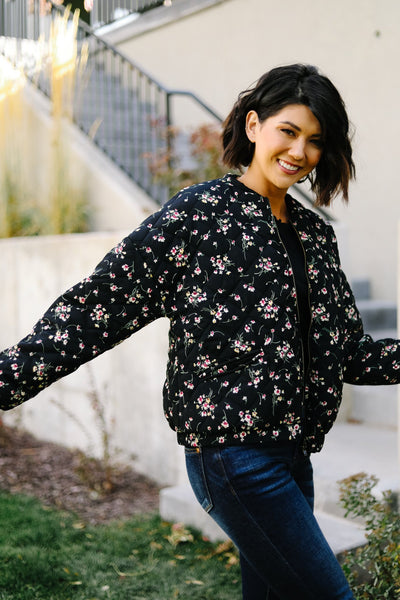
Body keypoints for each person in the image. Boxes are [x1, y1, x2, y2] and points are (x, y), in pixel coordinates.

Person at [0, 63, 399, 599]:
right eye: (289, 131)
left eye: (315, 141)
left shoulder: (313, 234)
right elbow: (99, 304)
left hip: (292, 455)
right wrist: (8, 377)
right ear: (254, 126)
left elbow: (348, 353)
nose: (300, 152)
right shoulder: (199, 216)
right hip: (232, 458)